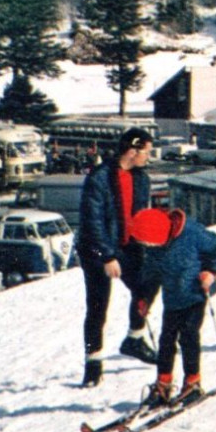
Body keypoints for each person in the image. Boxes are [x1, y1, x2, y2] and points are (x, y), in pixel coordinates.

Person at [77, 127, 163, 388]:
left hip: (126, 247)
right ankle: (93, 364)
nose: (149, 156)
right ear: (132, 150)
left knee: (148, 284)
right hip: (96, 251)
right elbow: (92, 222)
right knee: (98, 307)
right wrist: (107, 256)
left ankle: (134, 338)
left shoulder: (142, 179)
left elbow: (138, 216)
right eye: (146, 151)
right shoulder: (100, 178)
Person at [129, 207, 216, 408]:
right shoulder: (154, 247)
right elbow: (151, 274)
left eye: (149, 242)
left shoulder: (191, 232)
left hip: (195, 293)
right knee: (166, 340)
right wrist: (145, 299)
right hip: (172, 297)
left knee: (188, 336)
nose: (147, 246)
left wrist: (210, 271)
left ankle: (193, 382)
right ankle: (163, 384)